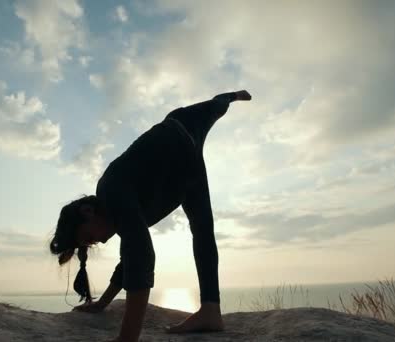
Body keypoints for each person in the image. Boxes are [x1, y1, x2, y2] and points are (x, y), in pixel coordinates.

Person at [50, 90, 252, 342]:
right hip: (186, 169)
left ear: (88, 211)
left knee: (217, 106)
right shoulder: (119, 213)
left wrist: (127, 339)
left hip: (181, 126)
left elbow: (141, 254)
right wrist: (102, 302)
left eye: (90, 236)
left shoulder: (111, 190)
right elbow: (129, 258)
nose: (100, 242)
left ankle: (231, 95)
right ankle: (211, 310)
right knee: (202, 229)